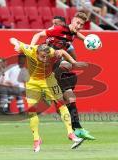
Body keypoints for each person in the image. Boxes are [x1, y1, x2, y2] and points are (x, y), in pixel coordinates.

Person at [10, 37, 88, 152]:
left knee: (62, 104)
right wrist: (16, 44)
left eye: (47, 57)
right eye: (42, 56)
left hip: (49, 80)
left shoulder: (50, 52)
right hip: (33, 82)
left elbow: (62, 52)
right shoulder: (29, 49)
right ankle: (36, 139)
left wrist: (74, 62)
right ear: (36, 53)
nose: (45, 59)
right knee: (32, 111)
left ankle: (71, 134)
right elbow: (12, 39)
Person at [30, 12, 95, 140]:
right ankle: (49, 94)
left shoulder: (73, 33)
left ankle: (78, 129)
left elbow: (83, 38)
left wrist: (92, 42)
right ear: (72, 20)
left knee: (70, 97)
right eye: (77, 23)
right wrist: (31, 48)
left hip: (55, 65)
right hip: (46, 63)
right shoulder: (59, 29)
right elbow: (37, 34)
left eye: (81, 25)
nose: (78, 26)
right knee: (67, 66)